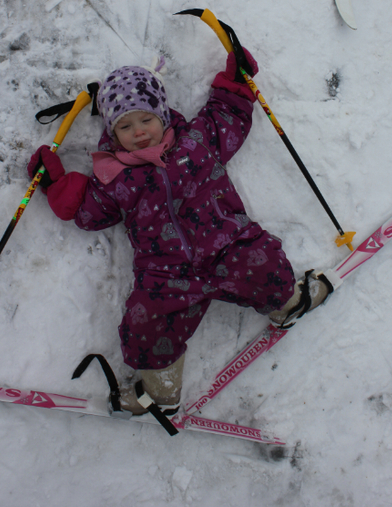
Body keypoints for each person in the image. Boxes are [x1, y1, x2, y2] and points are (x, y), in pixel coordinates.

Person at [28, 53, 331, 416]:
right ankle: (160, 391)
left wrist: (237, 82)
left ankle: (291, 302)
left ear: (162, 114)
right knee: (145, 325)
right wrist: (57, 184)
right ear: (112, 133)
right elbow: (87, 213)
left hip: (228, 245)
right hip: (166, 274)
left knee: (266, 266)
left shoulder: (196, 140)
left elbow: (228, 118)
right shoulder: (113, 178)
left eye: (146, 120)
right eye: (125, 127)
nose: (139, 132)